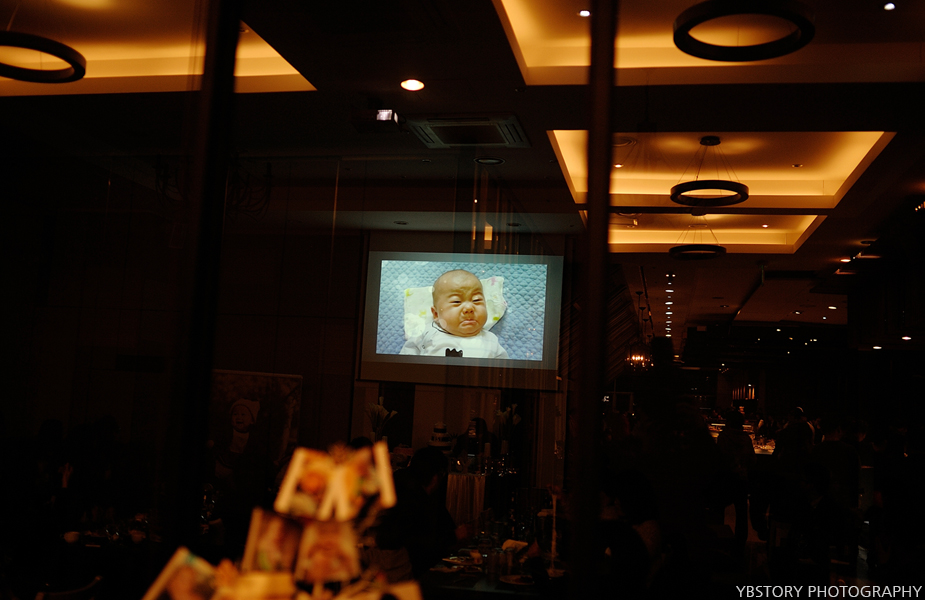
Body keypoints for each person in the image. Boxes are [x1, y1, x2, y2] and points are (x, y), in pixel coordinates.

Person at [400, 269, 508, 358]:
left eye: (476, 300)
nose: (469, 308)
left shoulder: (491, 340)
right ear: (436, 314)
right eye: (456, 301)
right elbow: (406, 359)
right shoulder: (426, 333)